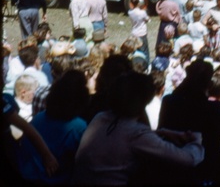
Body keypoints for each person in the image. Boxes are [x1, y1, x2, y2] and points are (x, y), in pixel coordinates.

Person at [74, 71, 205, 183]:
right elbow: (188, 159)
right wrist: (196, 142)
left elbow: (120, 138)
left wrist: (159, 133)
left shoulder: (101, 117)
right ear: (144, 101)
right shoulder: (136, 133)